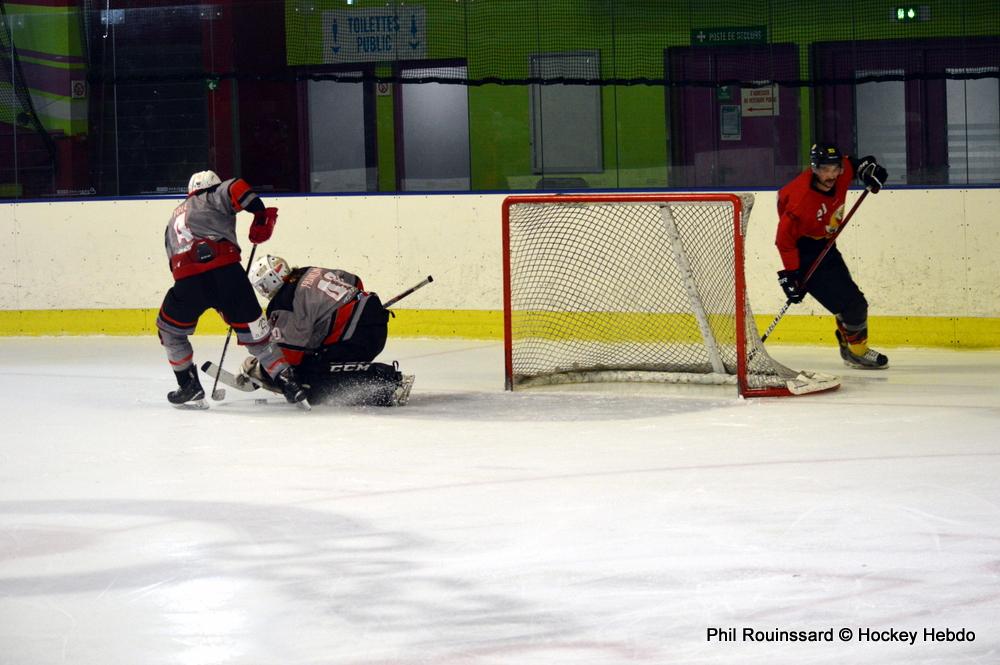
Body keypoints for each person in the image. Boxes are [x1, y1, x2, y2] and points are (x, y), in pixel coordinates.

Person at [157, 170, 308, 408]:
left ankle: (188, 385)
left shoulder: (172, 219)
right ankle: (288, 382)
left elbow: (171, 259)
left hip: (188, 280)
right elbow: (236, 187)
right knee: (258, 336)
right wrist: (260, 214)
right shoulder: (211, 194)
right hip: (228, 274)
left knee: (170, 331)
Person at [239, 255, 414, 406]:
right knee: (315, 358)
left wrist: (262, 370)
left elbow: (290, 357)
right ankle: (383, 381)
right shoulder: (310, 271)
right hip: (375, 319)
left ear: (269, 282)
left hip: (355, 337)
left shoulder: (285, 302)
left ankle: (388, 384)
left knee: (309, 380)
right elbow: (356, 281)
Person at [775, 143, 889, 369]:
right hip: (805, 251)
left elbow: (858, 164)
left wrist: (871, 171)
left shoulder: (842, 171)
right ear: (814, 169)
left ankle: (848, 343)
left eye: (834, 169)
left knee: (847, 303)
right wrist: (791, 274)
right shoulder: (800, 201)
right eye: (825, 170)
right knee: (855, 306)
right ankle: (856, 352)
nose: (831, 175)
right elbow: (784, 241)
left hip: (827, 245)